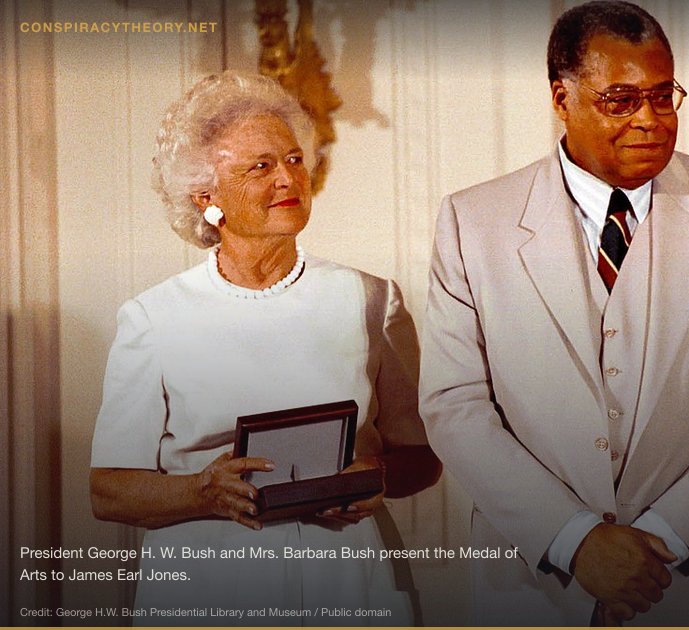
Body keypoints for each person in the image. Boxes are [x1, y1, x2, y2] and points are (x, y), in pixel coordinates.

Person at [418, 1, 689, 625]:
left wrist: (667, 536)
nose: (651, 121)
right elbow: (455, 404)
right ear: (561, 98)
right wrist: (575, 541)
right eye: (621, 100)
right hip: (533, 582)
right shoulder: (473, 221)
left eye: (663, 96)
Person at [89, 70, 439, 626]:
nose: (288, 178)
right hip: (208, 583)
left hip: (347, 577)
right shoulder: (153, 318)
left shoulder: (371, 299)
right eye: (261, 166)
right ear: (207, 197)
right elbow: (109, 492)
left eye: (295, 159)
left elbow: (421, 457)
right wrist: (205, 491)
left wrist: (374, 477)